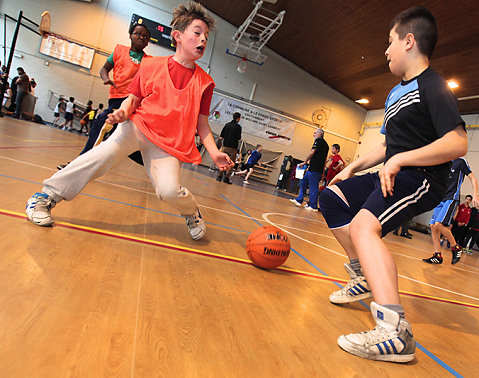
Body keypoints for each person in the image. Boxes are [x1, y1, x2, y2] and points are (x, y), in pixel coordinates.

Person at [318, 6, 467, 362]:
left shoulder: (433, 85)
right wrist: (351, 168)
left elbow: (458, 141)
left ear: (409, 41)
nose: (385, 51)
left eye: (390, 42)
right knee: (332, 198)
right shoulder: (393, 94)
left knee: (363, 228)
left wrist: (401, 160)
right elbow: (386, 147)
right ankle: (365, 275)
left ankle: (393, 331)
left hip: (421, 178)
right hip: (392, 173)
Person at [25, 2, 233, 241]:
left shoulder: (205, 82)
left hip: (168, 145)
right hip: (136, 128)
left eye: (206, 36)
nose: (203, 40)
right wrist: (122, 113)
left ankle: (191, 211)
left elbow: (202, 124)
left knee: (168, 191)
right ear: (177, 36)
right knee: (100, 156)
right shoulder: (150, 65)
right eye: (197, 33)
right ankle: (45, 198)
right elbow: (132, 100)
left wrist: (215, 153)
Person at [57, 22, 151, 172]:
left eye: (145, 37)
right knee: (121, 139)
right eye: (138, 34)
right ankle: (154, 166)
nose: (141, 37)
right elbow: (103, 69)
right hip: (115, 99)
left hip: (129, 102)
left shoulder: (149, 61)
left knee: (101, 122)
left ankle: (76, 165)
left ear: (147, 42)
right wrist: (105, 77)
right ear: (130, 35)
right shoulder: (119, 51)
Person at [423, 157, 479, 264]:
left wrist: (475, 194)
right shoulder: (444, 161)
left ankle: (456, 248)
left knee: (439, 224)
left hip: (451, 198)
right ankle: (437, 255)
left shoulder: (461, 161)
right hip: (441, 198)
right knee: (433, 226)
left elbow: (472, 178)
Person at [289, 128, 328, 211]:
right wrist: (323, 172)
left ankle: (313, 206)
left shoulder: (319, 141)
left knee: (313, 187)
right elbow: (325, 160)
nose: (313, 135)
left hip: (315, 169)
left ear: (320, 134)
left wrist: (305, 162)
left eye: (315, 133)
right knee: (303, 182)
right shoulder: (326, 145)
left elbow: (312, 152)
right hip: (312, 169)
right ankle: (299, 200)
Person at [216, 112, 242, 184]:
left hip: (224, 146)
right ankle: (226, 177)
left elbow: (222, 135)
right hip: (232, 148)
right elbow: (238, 137)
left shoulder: (227, 125)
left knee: (222, 161)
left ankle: (219, 176)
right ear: (238, 118)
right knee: (231, 163)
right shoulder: (238, 127)